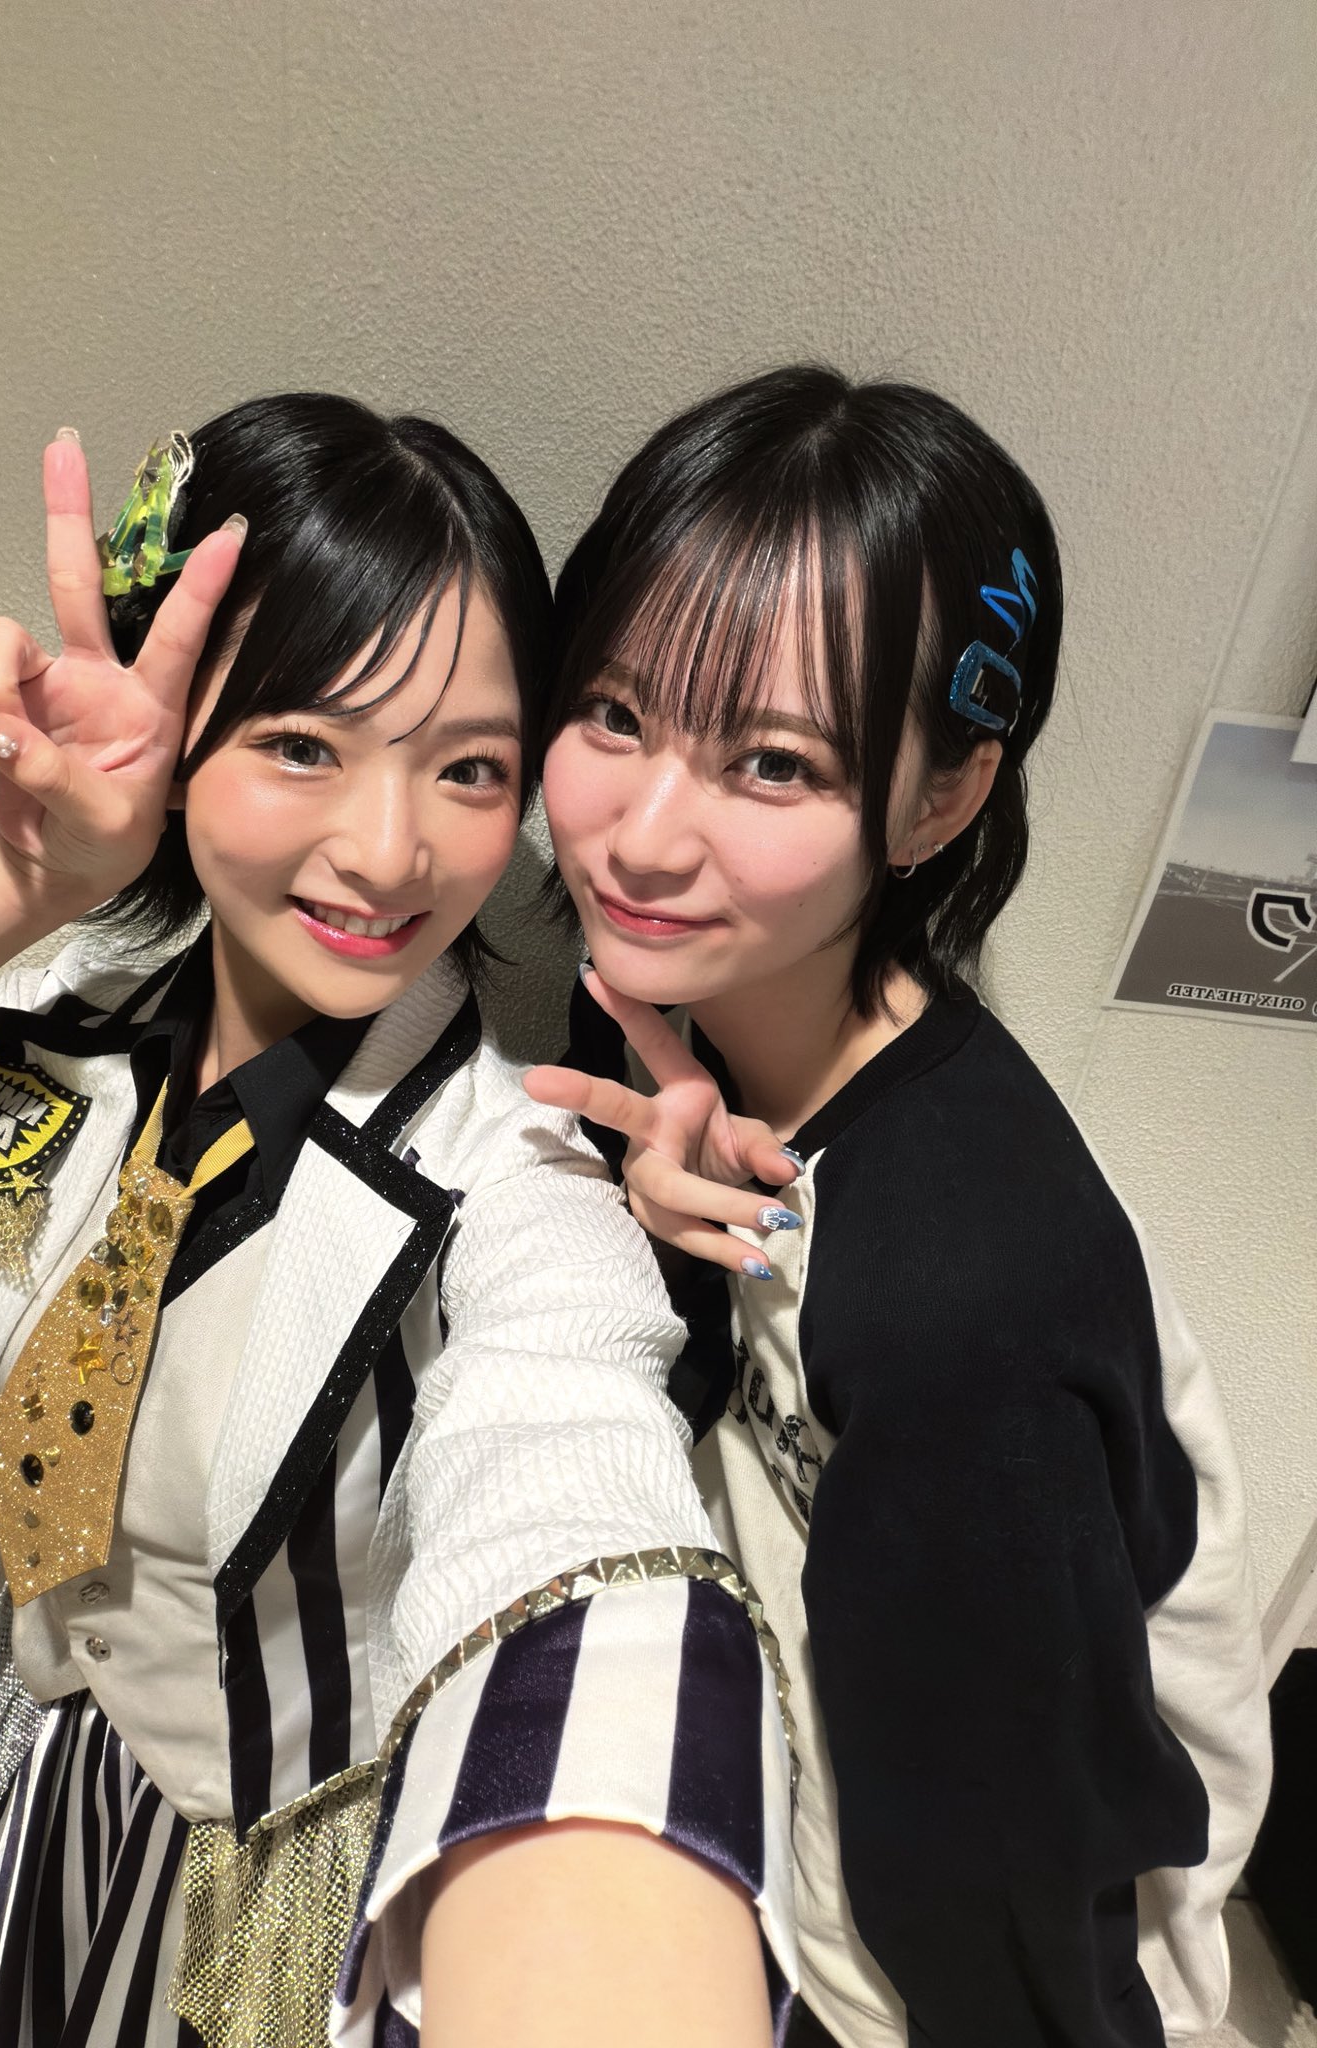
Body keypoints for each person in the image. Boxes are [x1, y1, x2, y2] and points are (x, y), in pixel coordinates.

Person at [0, 395, 800, 2048]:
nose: (390, 853)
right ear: (180, 735)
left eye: (469, 769)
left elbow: (573, 1493)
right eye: (305, 745)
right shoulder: (50, 1011)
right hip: (44, 1768)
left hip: (268, 1873)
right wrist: (26, 878)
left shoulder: (515, 1181)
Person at [524, 364, 1272, 2048]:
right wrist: (650, 1224)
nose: (643, 836)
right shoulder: (674, 1006)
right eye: (617, 715)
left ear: (940, 799)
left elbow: (1018, 1904)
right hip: (787, 1829)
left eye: (772, 762)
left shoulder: (960, 1304)